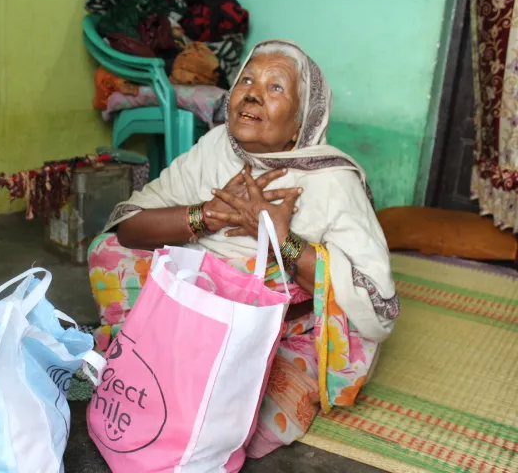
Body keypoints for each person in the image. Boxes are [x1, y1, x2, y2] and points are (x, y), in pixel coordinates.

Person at [87, 40, 399, 457]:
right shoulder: (216, 148)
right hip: (198, 307)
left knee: (240, 425)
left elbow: (373, 303)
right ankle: (168, 351)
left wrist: (281, 241)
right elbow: (128, 228)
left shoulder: (332, 182)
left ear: (299, 123)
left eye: (275, 88)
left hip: (282, 331)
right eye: (247, 80)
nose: (253, 93)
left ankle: (181, 362)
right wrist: (207, 215)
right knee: (108, 252)